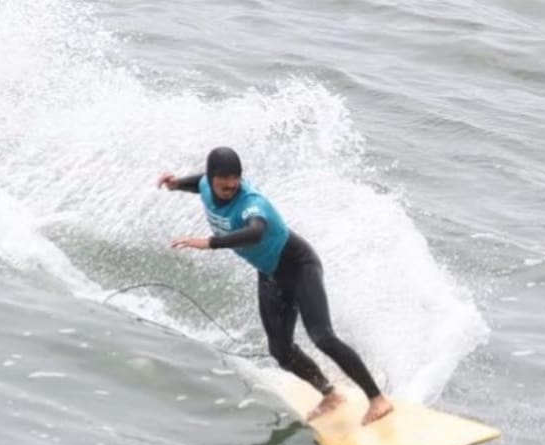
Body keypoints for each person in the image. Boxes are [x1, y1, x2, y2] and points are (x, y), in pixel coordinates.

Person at [157, 147, 393, 425]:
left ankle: (378, 400)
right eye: (224, 186)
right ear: (212, 179)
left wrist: (210, 243)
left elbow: (256, 232)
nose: (230, 190)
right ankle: (330, 395)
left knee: (322, 336)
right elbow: (198, 183)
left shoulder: (251, 203)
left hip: (299, 266)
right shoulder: (207, 184)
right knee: (280, 350)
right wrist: (176, 185)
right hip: (270, 274)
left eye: (235, 184)